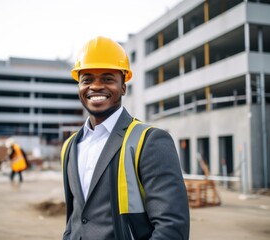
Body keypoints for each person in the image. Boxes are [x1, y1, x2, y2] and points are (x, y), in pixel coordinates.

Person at [61, 36, 190, 240]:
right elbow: (75, 219)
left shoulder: (150, 142)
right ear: (79, 87)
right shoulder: (70, 146)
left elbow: (172, 228)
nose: (95, 86)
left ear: (123, 87)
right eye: (87, 79)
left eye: (107, 79)